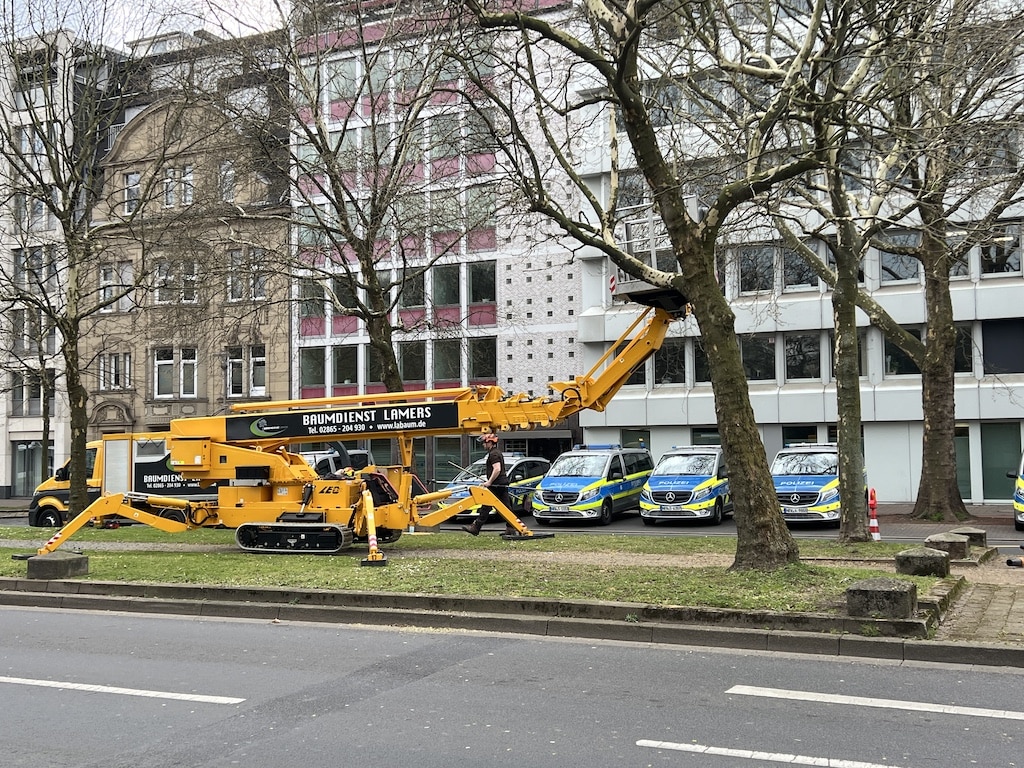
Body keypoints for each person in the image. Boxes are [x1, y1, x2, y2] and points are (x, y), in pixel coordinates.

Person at [462, 432, 516, 536]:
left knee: (486, 506)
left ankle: (476, 527)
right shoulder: (496, 452)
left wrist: (489, 482)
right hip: (501, 483)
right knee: (505, 507)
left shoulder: (493, 454)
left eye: (484, 443)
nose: (483, 445)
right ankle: (511, 528)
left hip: (496, 484)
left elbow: (497, 469)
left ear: (489, 443)